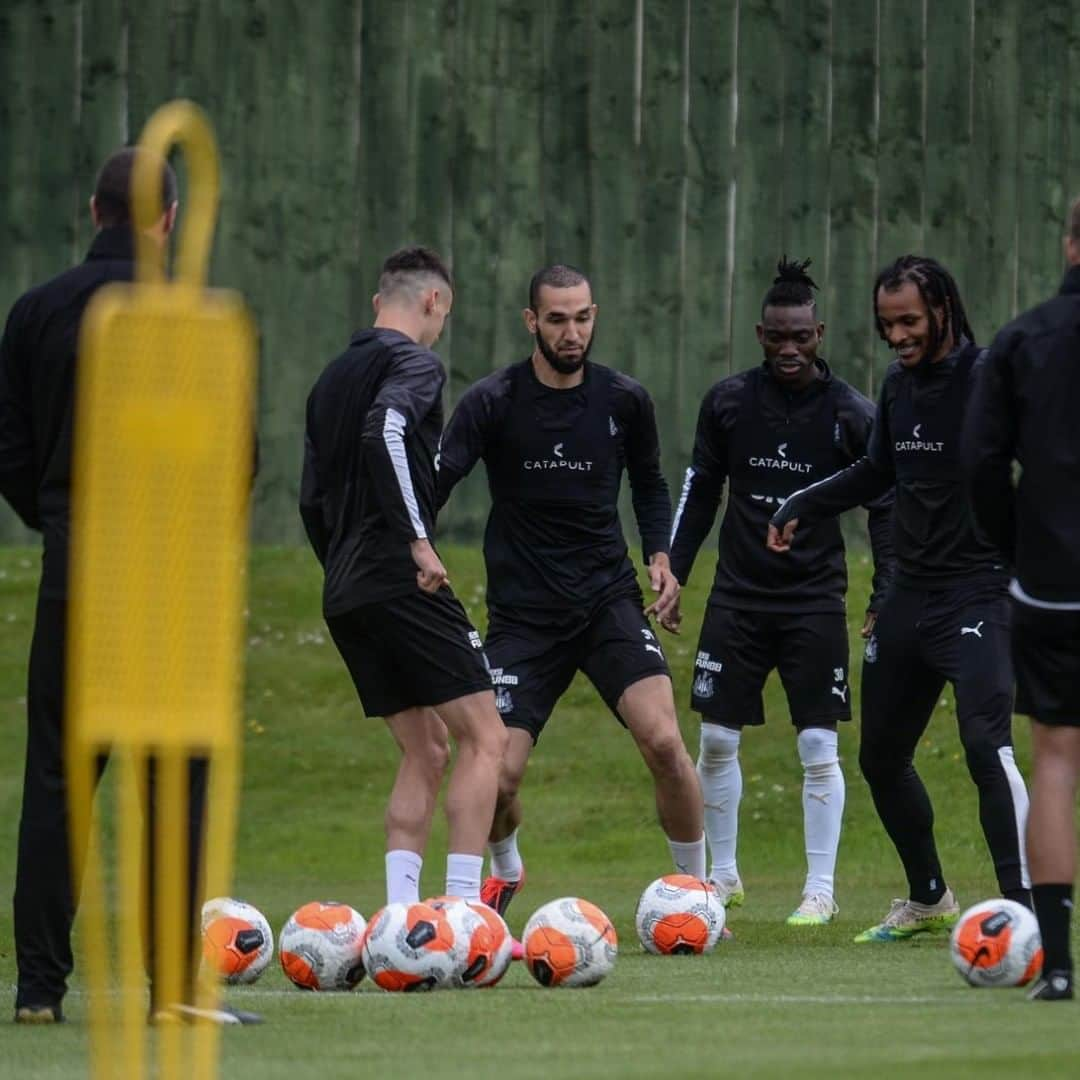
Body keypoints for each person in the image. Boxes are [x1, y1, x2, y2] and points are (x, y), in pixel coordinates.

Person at [0, 149, 255, 1025]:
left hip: (77, 581)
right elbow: (235, 460)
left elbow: (13, 455)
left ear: (93, 208)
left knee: (56, 786)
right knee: (174, 789)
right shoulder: (194, 319)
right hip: (169, 588)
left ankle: (38, 991)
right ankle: (172, 996)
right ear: (170, 219)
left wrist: (64, 522)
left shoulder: (35, 312)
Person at [767, 255, 1030, 942]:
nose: (898, 336)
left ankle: (1024, 908)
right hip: (911, 596)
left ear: (943, 307)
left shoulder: (989, 379)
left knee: (984, 745)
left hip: (981, 593)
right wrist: (803, 500)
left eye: (909, 321)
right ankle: (929, 897)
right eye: (888, 325)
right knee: (880, 756)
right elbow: (877, 470)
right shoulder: (896, 384)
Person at [436, 264, 706, 922]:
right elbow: (436, 482)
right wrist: (412, 546)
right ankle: (507, 870)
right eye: (556, 319)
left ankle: (701, 895)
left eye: (582, 317)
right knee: (497, 777)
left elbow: (648, 482)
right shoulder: (494, 401)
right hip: (524, 620)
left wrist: (662, 556)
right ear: (532, 321)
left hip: (608, 604)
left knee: (667, 745)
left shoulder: (622, 400)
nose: (572, 331)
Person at [665, 257, 894, 925]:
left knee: (818, 747)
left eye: (802, 337)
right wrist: (675, 571)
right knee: (714, 742)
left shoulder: (851, 414)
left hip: (814, 601)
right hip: (738, 597)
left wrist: (884, 592)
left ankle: (819, 891)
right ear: (760, 335)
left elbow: (885, 508)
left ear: (819, 332)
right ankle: (725, 877)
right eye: (777, 338)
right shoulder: (729, 402)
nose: (790, 350)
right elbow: (701, 489)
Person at [300, 246, 506, 910]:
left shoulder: (329, 379)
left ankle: (400, 918)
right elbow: (385, 429)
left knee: (428, 750)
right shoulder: (416, 363)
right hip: (398, 577)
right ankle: (466, 914)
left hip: (347, 592)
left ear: (376, 303)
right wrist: (417, 543)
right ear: (434, 302)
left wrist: (342, 569)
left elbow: (310, 501)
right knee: (487, 736)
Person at [964, 197, 1080, 1000]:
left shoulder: (1024, 340)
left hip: (1053, 588)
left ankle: (1063, 968)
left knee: (1056, 763)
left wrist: (1018, 551)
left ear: (1071, 243)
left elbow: (978, 464)